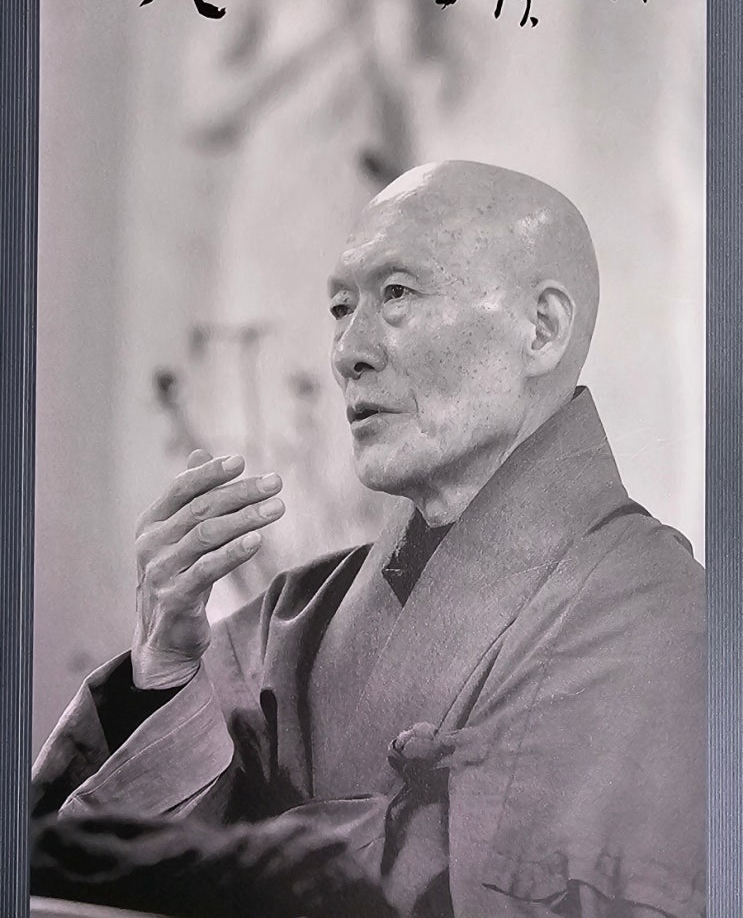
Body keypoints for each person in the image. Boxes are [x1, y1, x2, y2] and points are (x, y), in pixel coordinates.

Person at [32, 161, 705, 918]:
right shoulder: (299, 615)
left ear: (541, 329)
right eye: (340, 307)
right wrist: (162, 673)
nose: (346, 352)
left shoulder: (660, 620)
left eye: (396, 294)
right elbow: (68, 863)